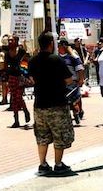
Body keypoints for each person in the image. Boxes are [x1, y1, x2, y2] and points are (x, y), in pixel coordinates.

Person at [29, 31, 75, 176]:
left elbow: (31, 80)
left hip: (39, 104)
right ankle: (58, 164)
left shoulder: (32, 61)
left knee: (42, 136)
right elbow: (68, 80)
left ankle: (42, 164)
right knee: (59, 135)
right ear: (51, 44)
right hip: (57, 103)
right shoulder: (57, 60)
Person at [57, 39, 86, 124]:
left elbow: (79, 68)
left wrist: (81, 79)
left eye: (59, 45)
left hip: (72, 82)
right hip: (60, 83)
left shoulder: (72, 57)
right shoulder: (56, 56)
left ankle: (76, 113)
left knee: (72, 101)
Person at [6, 36, 31, 128]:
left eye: (11, 40)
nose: (9, 41)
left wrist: (26, 74)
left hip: (20, 77)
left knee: (18, 97)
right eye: (9, 40)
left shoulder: (21, 51)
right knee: (14, 99)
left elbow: (26, 61)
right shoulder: (7, 52)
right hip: (11, 77)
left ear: (16, 41)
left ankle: (25, 111)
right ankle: (16, 120)